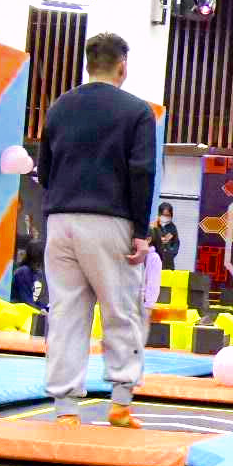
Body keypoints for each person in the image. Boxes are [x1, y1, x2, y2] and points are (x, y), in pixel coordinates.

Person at [38, 32, 157, 428]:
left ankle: (65, 410)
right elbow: (141, 172)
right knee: (121, 310)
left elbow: (45, 169)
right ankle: (120, 402)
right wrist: (141, 231)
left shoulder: (59, 107)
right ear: (122, 67)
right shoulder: (136, 111)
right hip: (110, 220)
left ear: (88, 65)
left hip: (60, 219)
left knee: (66, 313)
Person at [10, 245, 46, 310]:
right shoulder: (23, 272)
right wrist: (41, 310)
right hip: (17, 311)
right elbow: (26, 300)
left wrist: (46, 308)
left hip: (27, 310)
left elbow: (35, 299)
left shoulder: (37, 272)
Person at [149, 203, 181, 271]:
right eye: (164, 215)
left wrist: (171, 253)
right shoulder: (153, 227)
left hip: (169, 263)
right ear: (159, 214)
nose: (166, 217)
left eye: (168, 215)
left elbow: (176, 243)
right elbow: (150, 244)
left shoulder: (172, 228)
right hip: (156, 261)